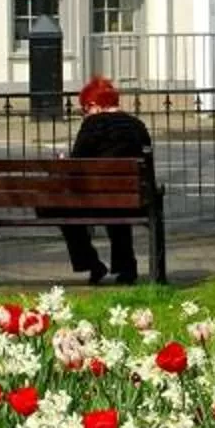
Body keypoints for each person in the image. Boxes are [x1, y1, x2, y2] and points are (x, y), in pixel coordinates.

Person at [54, 75, 153, 287]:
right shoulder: (138, 125)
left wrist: (64, 163)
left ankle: (90, 262)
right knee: (117, 202)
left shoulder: (92, 125)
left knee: (56, 207)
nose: (85, 114)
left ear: (93, 105)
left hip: (97, 202)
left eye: (84, 110)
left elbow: (77, 167)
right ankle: (126, 268)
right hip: (134, 202)